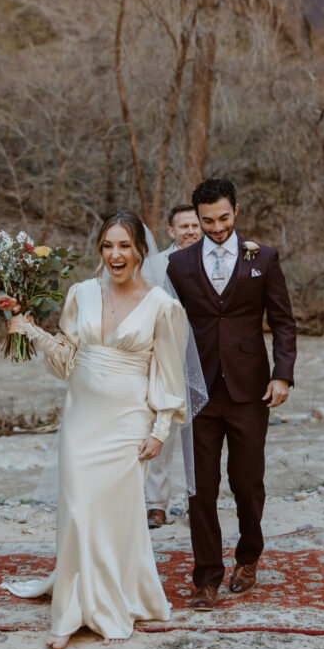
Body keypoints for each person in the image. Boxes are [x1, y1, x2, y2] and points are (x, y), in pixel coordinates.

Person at [5, 209, 189, 649]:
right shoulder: (81, 293)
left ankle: (109, 603)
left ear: (142, 252)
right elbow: (68, 360)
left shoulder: (163, 307)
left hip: (129, 422)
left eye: (124, 245)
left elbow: (168, 376)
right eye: (108, 246)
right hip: (81, 419)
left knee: (114, 516)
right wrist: (29, 328)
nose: (115, 254)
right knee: (77, 511)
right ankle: (73, 607)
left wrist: (160, 430)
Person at [167, 178, 297, 610]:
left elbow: (283, 322)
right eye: (207, 221)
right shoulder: (180, 265)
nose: (217, 227)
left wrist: (282, 375)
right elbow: (168, 326)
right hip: (198, 389)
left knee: (247, 482)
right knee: (200, 488)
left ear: (236, 211)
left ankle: (249, 556)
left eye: (224, 218)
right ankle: (206, 577)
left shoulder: (264, 258)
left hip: (250, 389)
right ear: (196, 218)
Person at [146, 203, 202, 529]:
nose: (191, 232)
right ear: (171, 231)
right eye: (184, 227)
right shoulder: (154, 266)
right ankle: (156, 505)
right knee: (160, 433)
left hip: (202, 363)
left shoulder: (212, 263)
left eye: (195, 226)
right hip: (163, 361)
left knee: (200, 437)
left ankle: (197, 500)